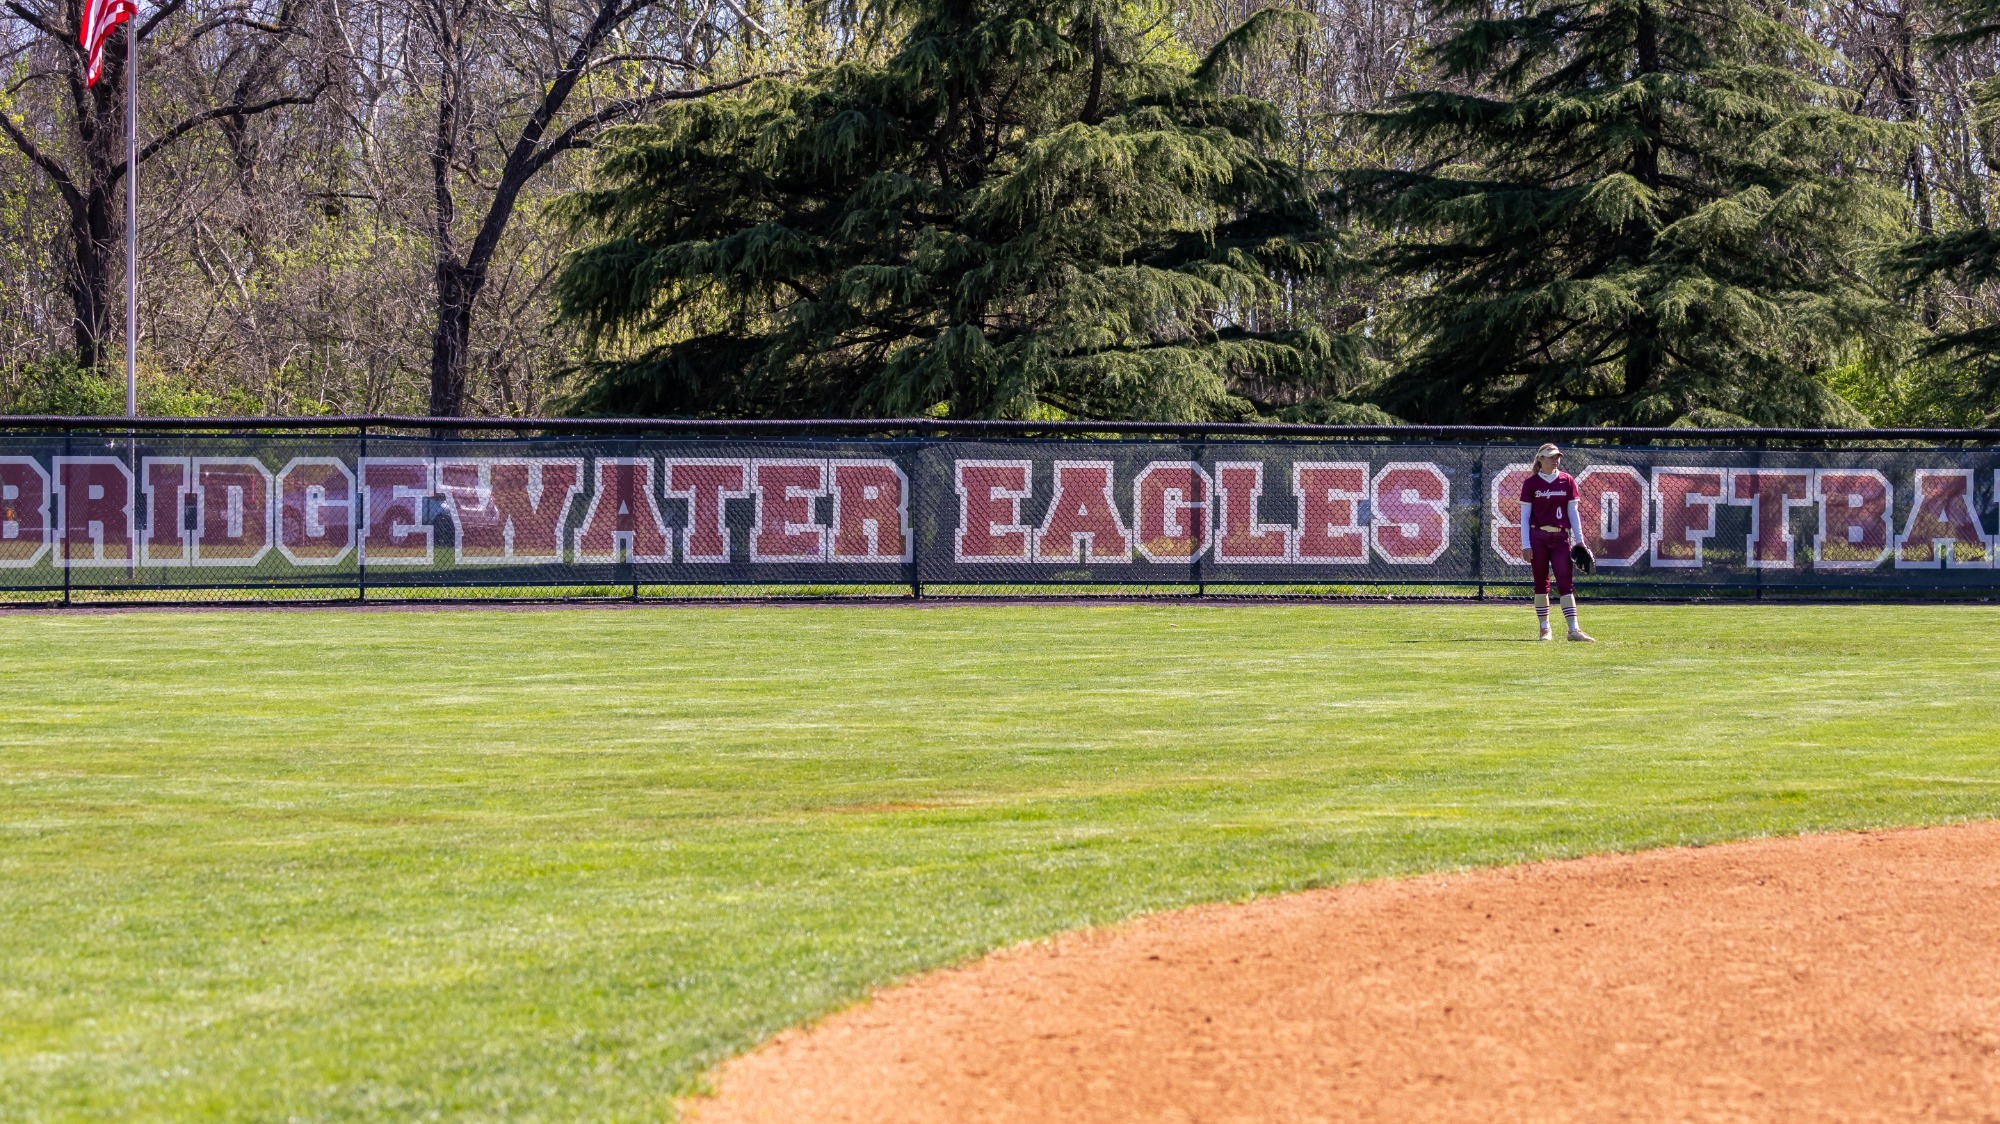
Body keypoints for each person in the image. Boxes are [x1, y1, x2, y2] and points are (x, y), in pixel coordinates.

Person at [1519, 443, 1595, 641]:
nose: (1556, 459)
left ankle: (1573, 630)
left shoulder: (1567, 480)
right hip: (1538, 537)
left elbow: (1573, 513)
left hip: (1561, 537)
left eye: (1557, 456)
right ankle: (1545, 628)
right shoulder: (1531, 483)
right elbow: (1525, 516)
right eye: (1551, 456)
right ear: (1540, 459)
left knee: (1565, 582)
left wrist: (1580, 541)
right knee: (1541, 583)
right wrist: (1525, 544)